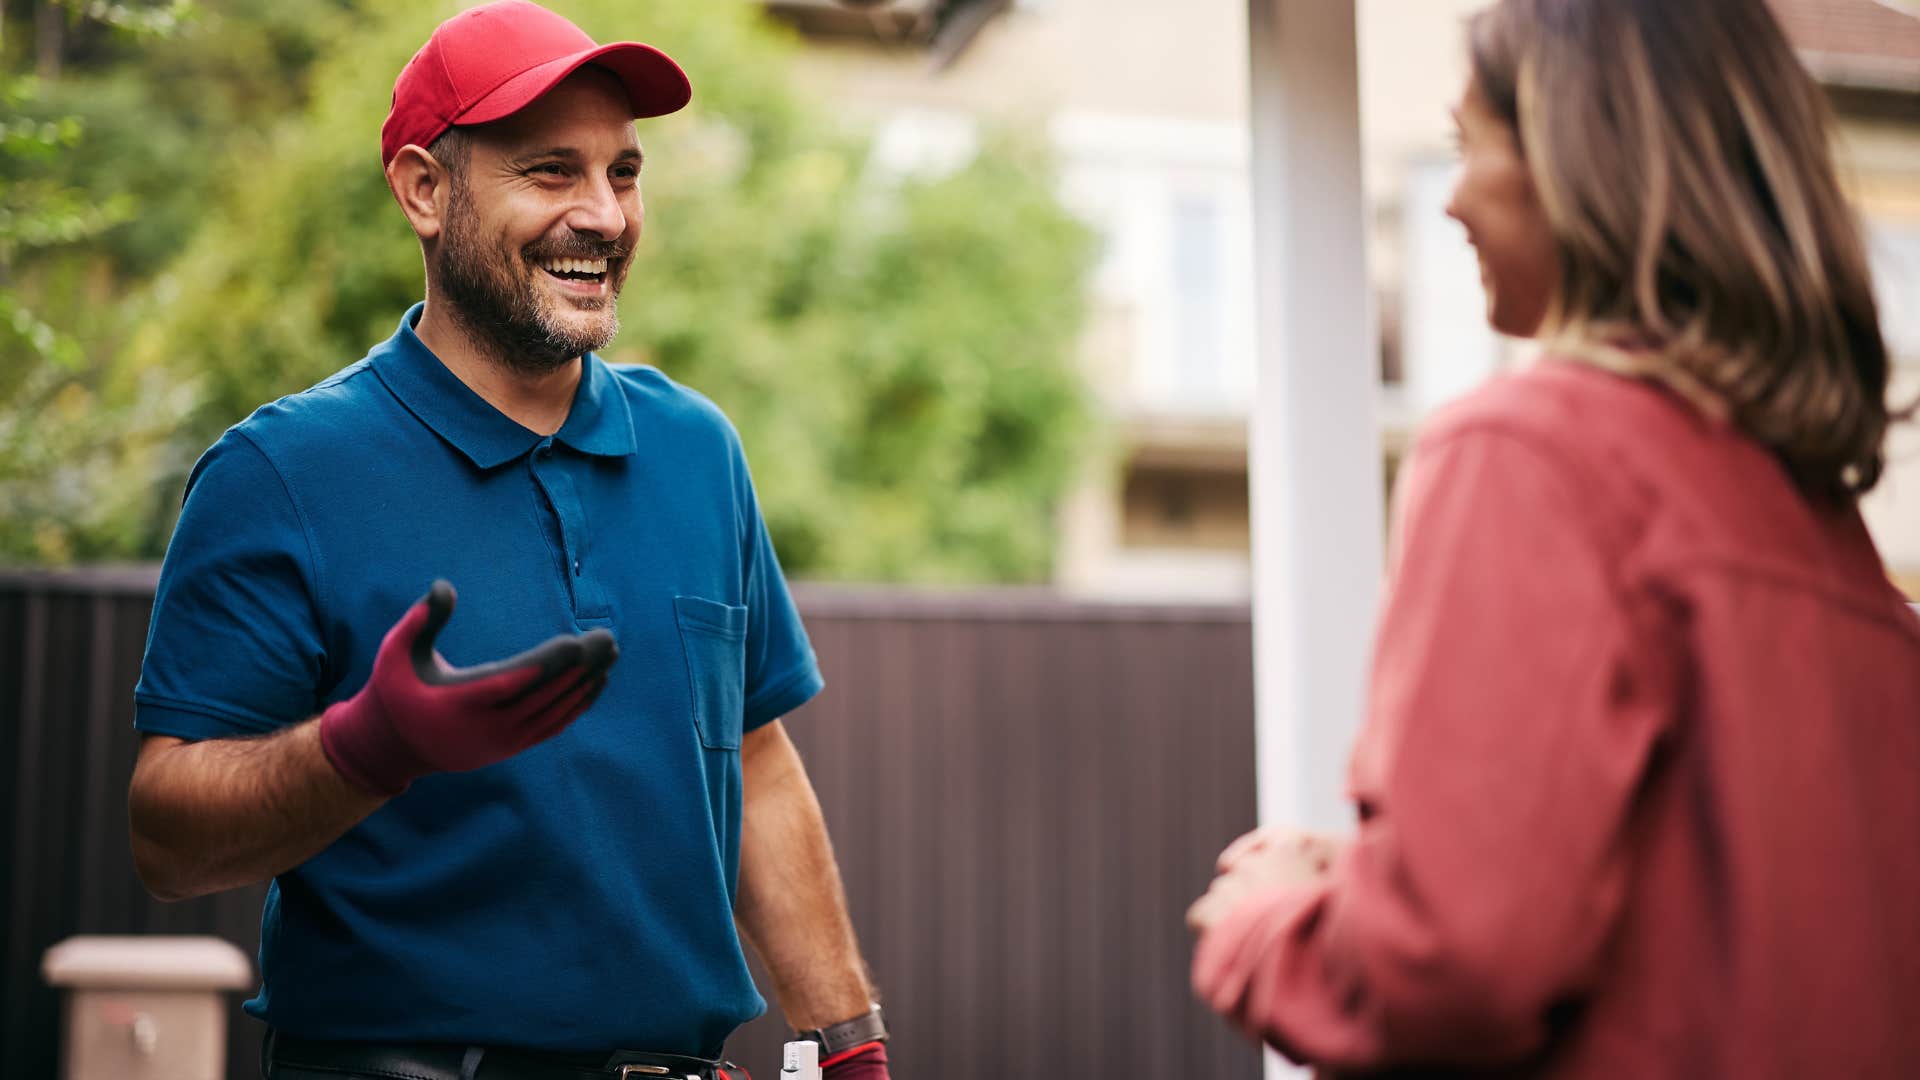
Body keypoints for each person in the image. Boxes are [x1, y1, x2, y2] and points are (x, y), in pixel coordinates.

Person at [125, 4, 890, 1078]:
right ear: (424, 191)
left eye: (622, 173)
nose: (604, 216)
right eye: (549, 171)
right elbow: (166, 837)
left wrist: (849, 1045)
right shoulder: (284, 475)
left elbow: (755, 761)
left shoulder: (696, 452)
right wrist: (363, 749)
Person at [1186, 0, 1920, 1076]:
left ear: (1579, 165)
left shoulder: (1530, 454)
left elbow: (1449, 967)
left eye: (1465, 145)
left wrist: (1269, 923)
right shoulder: (1834, 549)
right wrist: (1382, 875)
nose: (1453, 203)